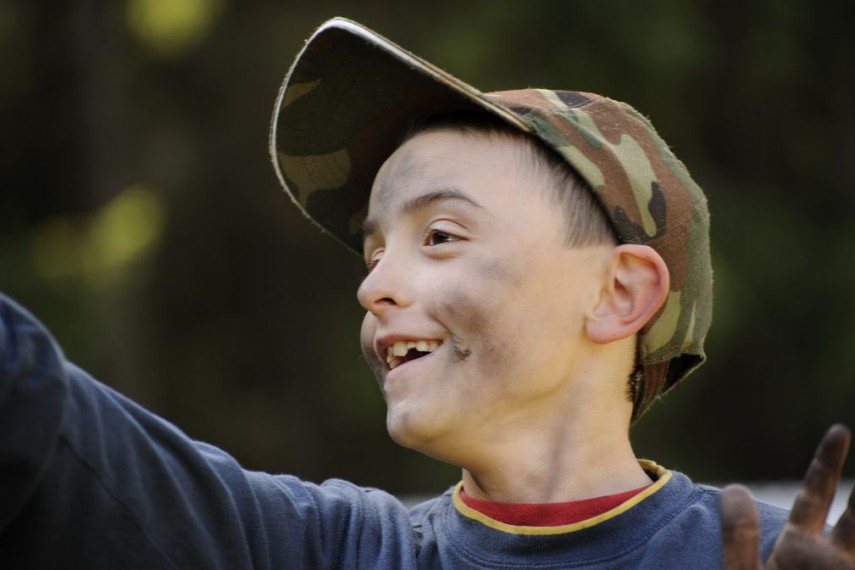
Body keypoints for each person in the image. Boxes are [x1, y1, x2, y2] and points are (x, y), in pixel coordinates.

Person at [0, 16, 852, 569]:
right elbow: (44, 419)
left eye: (439, 236)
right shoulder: (319, 551)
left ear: (616, 293)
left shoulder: (775, 557)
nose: (374, 286)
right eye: (373, 253)